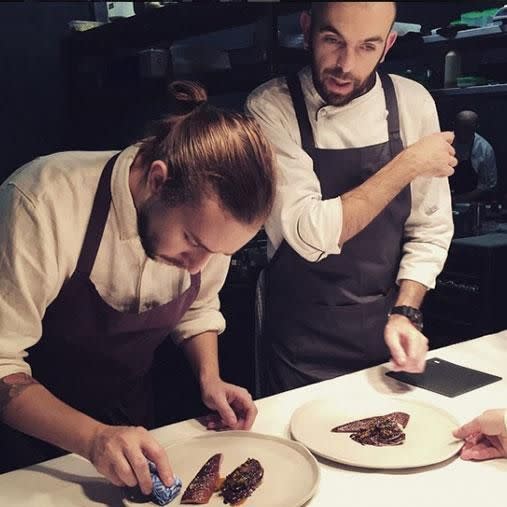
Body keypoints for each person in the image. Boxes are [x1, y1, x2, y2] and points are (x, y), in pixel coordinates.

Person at [0, 81, 276, 492]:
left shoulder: (210, 235)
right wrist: (93, 439)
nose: (199, 264)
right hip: (28, 449)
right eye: (193, 242)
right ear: (158, 181)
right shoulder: (42, 201)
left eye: (218, 253)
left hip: (132, 429)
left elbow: (199, 308)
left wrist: (210, 378)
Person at [246, 1, 457, 395]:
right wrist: (408, 163)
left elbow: (430, 227)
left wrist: (406, 312)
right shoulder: (271, 108)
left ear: (388, 44)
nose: (346, 64)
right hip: (299, 344)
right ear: (307, 28)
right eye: (333, 40)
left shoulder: (413, 103)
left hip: (385, 335)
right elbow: (310, 235)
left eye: (367, 47)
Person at [450, 110, 498, 204]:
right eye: (460, 127)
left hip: (473, 204)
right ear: (454, 125)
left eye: (467, 128)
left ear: (476, 127)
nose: (462, 132)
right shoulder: (445, 142)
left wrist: (459, 200)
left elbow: (487, 185)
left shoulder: (484, 149)